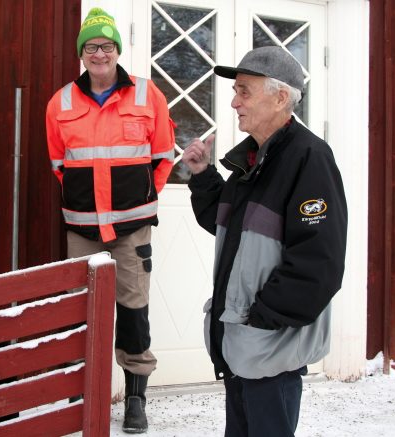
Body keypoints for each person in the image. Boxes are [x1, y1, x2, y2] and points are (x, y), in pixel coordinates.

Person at [182, 46, 347, 437]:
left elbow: (319, 261)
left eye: (244, 91)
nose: (234, 101)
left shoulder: (309, 157)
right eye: (235, 91)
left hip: (269, 347)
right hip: (242, 343)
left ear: (281, 97)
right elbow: (229, 228)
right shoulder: (252, 160)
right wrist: (204, 176)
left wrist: (262, 317)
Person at [45, 8, 176, 434]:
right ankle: (81, 393)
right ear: (81, 54)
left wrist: (142, 198)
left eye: (106, 45)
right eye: (90, 47)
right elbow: (59, 164)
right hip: (82, 229)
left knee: (133, 310)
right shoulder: (60, 102)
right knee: (81, 312)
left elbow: (163, 157)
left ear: (117, 50)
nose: (99, 53)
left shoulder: (147, 94)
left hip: (131, 228)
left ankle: (135, 397)